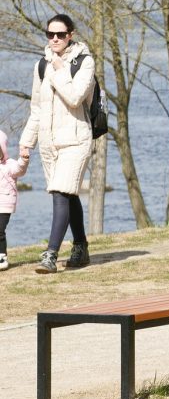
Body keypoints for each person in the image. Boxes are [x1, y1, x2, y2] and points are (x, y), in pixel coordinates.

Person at [19, 14, 96, 274]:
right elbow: (37, 109)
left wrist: (60, 69)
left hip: (76, 139)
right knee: (68, 193)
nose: (54, 39)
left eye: (60, 35)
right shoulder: (41, 65)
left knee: (61, 192)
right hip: (49, 143)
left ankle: (50, 255)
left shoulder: (85, 62)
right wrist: (26, 142)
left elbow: (75, 97)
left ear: (70, 35)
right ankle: (81, 247)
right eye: (50, 34)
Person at [0, 130, 30, 271]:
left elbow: (19, 170)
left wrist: (23, 160)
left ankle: (2, 256)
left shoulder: (9, 164)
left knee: (0, 229)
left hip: (5, 204)